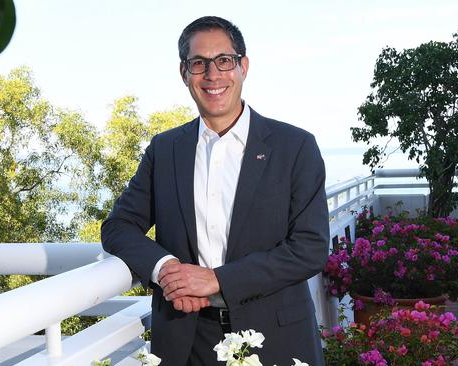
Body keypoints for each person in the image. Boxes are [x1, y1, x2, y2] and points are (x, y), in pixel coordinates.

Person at [101, 16, 329, 366]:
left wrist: (216, 280)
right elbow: (118, 227)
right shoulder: (164, 150)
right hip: (187, 340)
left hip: (276, 338)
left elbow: (310, 247)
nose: (212, 74)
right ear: (184, 73)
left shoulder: (294, 146)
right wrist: (166, 270)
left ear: (243, 66)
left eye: (224, 61)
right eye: (198, 64)